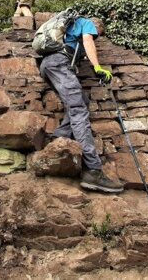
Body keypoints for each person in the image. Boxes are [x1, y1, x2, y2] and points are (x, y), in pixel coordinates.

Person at [39, 16, 124, 193]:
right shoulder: (87, 23)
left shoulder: (69, 28)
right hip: (59, 64)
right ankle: (93, 170)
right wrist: (97, 67)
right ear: (97, 26)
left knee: (80, 102)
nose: (96, 37)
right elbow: (88, 41)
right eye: (98, 34)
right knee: (78, 110)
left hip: (47, 66)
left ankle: (60, 138)